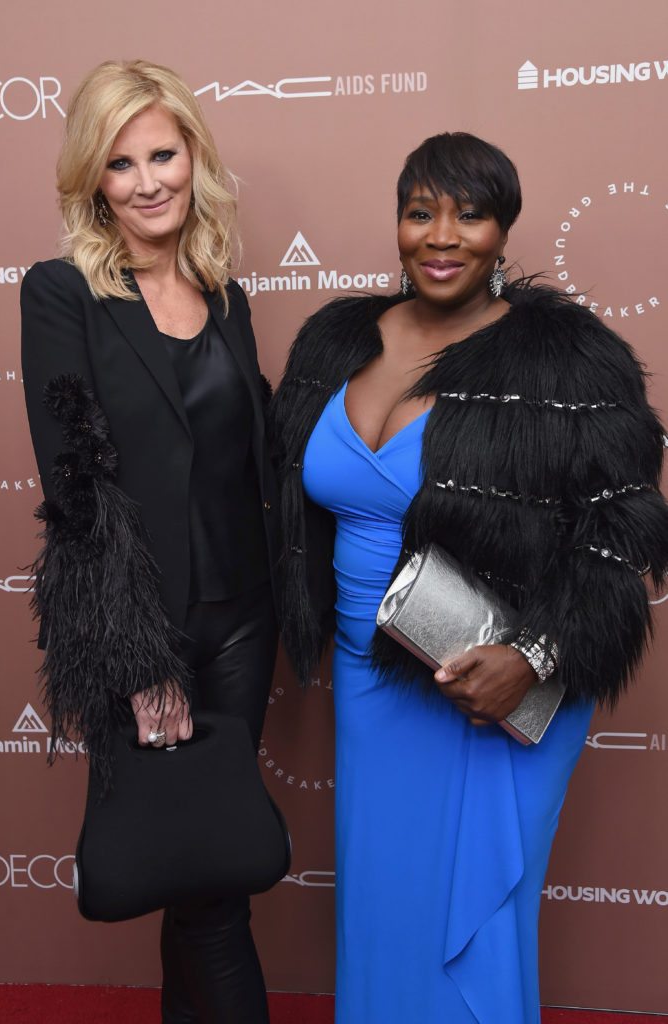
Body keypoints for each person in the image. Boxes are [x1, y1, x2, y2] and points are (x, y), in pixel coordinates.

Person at [270, 132, 668, 1023]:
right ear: (399, 224)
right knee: (384, 905)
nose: (442, 236)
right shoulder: (334, 342)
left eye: (470, 214)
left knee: (474, 922)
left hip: (490, 678)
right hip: (371, 677)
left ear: (503, 229)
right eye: (421, 213)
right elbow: (277, 504)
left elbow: (626, 523)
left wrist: (532, 655)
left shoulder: (565, 357)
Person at [21, 60, 279, 1024]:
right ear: (95, 180)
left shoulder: (227, 293)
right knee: (211, 900)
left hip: (244, 626)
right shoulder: (60, 294)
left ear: (194, 157)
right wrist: (138, 662)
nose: (147, 181)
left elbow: (248, 460)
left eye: (163, 153)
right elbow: (74, 487)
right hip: (146, 635)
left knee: (206, 879)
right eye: (120, 163)